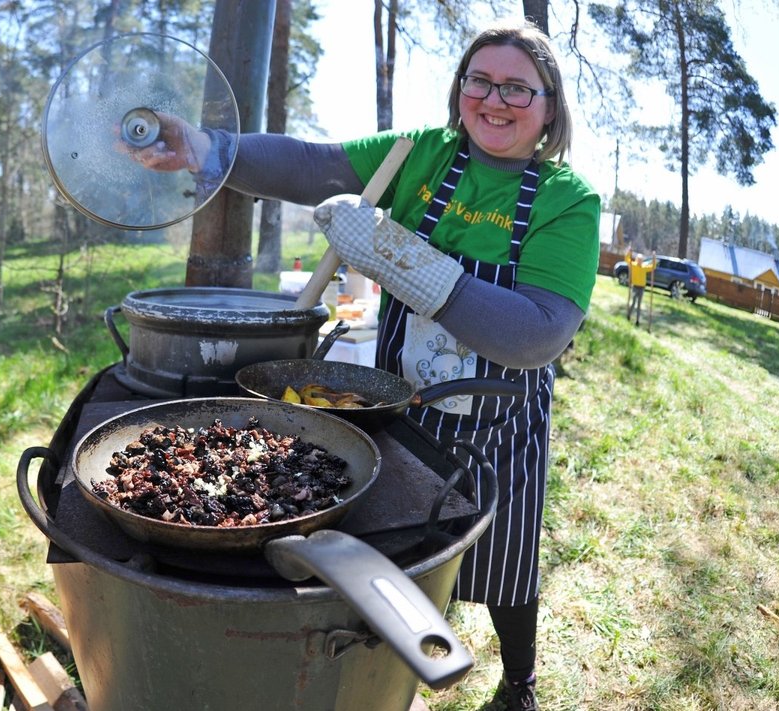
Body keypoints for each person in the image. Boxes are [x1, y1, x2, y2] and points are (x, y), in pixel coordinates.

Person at [124, 19, 599, 710]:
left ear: (549, 106)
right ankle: (388, 670)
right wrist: (206, 146)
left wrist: (410, 265)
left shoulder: (567, 199)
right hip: (400, 401)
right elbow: (310, 164)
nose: (495, 100)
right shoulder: (423, 156)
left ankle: (519, 680)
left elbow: (537, 334)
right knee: (403, 541)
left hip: (501, 417)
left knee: (504, 559)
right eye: (480, 81)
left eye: (518, 89)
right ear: (460, 88)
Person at [627, 251, 656, 326]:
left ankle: (637, 320)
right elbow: (627, 260)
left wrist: (654, 258)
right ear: (636, 259)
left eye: (641, 260)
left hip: (641, 288)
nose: (640, 261)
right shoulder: (633, 265)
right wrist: (629, 253)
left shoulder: (644, 267)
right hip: (635, 287)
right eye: (639, 259)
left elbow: (653, 267)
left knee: (639, 305)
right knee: (633, 302)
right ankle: (629, 315)